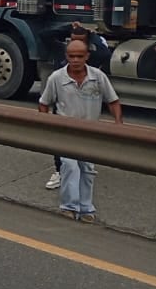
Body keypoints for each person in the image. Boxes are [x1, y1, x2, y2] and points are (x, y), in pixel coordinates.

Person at [38, 40, 123, 223]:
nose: (75, 60)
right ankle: (69, 207)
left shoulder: (98, 77)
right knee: (69, 166)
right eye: (71, 56)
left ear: (87, 57)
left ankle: (86, 209)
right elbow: (44, 103)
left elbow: (113, 101)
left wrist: (118, 125)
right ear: (66, 57)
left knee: (87, 169)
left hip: (90, 133)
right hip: (65, 133)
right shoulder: (57, 78)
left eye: (80, 56)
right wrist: (47, 126)